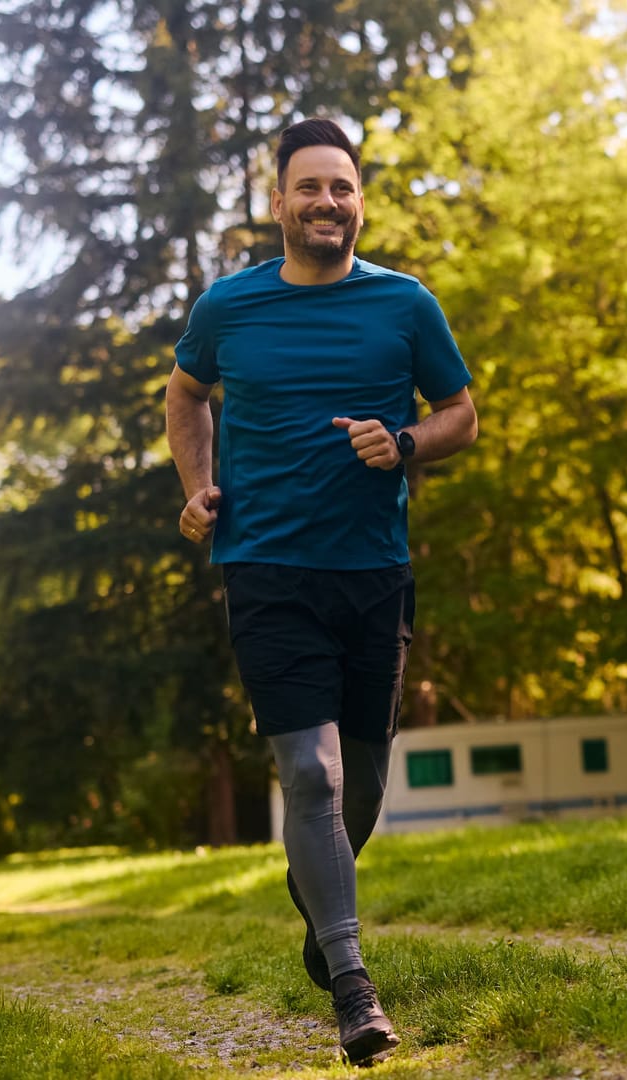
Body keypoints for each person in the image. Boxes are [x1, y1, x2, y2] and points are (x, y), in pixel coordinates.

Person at [164, 117, 478, 1062]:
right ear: (278, 204)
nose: (327, 203)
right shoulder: (230, 307)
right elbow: (186, 395)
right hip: (264, 568)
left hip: (374, 571)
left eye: (342, 187)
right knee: (312, 772)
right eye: (309, 188)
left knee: (366, 781)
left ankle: (319, 910)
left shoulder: (405, 304)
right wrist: (197, 489)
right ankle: (352, 984)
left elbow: (461, 413)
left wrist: (408, 443)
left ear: (359, 200)